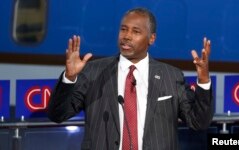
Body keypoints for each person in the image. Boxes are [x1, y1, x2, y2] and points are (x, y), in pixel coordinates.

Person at [48, 7, 213, 150]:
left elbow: (198, 122)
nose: (126, 36)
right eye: (123, 29)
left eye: (136, 31)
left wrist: (204, 80)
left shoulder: (171, 76)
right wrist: (69, 77)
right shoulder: (94, 71)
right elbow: (57, 115)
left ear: (151, 38)